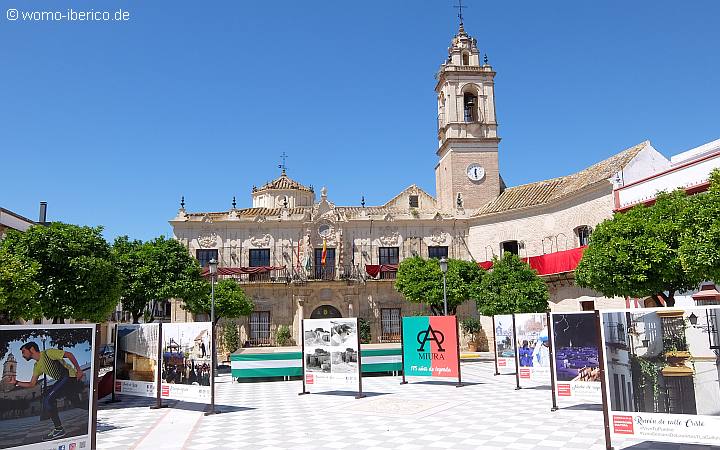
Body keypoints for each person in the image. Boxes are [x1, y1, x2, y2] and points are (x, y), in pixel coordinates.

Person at [7, 342, 84, 441]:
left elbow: (69, 355)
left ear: (32, 349)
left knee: (47, 399)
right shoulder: (37, 366)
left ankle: (59, 429)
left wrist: (79, 370)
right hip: (65, 382)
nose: (22, 355)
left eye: (23, 352)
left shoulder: (48, 353)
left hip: (69, 377)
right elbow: (32, 384)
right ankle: (91, 409)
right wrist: (16, 382)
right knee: (78, 404)